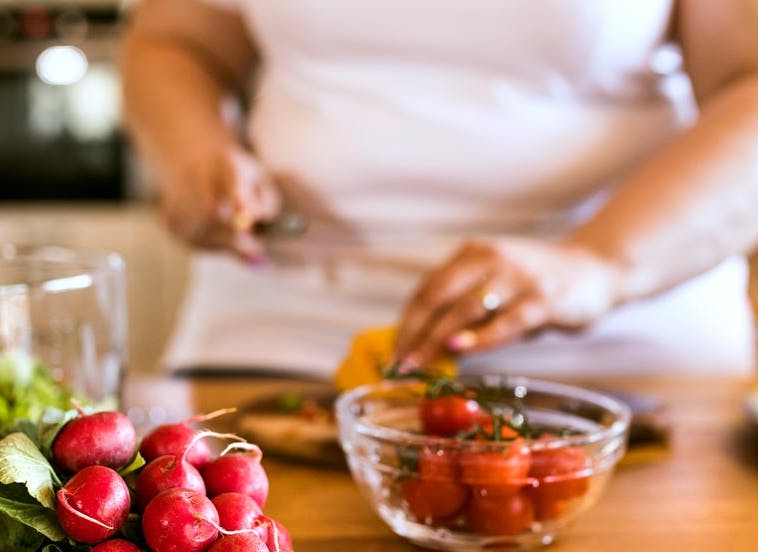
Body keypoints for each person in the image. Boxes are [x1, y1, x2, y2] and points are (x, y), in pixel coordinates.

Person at [121, 0, 758, 379]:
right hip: (279, 336)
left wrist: (598, 264)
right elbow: (177, 38)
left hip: (629, 358)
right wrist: (193, 156)